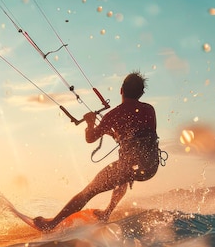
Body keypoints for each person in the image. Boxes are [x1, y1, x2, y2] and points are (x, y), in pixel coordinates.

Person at [33, 71, 160, 232]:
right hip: (150, 167)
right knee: (123, 175)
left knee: (89, 191)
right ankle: (106, 213)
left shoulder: (114, 115)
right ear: (141, 93)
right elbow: (137, 136)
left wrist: (90, 123)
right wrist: (113, 133)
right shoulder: (149, 110)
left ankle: (51, 224)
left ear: (121, 90)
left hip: (130, 165)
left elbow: (91, 138)